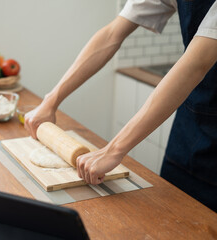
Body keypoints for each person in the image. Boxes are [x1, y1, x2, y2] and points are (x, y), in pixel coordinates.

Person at [24, 0, 217, 212]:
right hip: (192, 121)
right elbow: (112, 34)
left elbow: (197, 63)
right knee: (171, 211)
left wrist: (113, 150)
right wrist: (51, 101)